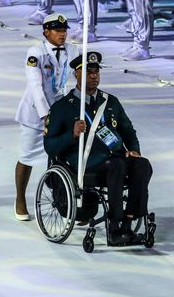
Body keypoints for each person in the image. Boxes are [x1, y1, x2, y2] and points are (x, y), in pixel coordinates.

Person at [44, 51, 152, 245]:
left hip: (115, 158)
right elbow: (49, 146)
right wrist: (72, 135)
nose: (94, 75)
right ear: (76, 75)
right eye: (88, 71)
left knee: (142, 165)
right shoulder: (63, 107)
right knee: (117, 165)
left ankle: (129, 220)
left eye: (96, 71)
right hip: (86, 163)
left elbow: (128, 131)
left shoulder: (110, 102)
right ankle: (115, 227)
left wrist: (134, 149)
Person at [14, 13, 79, 221]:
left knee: (62, 157)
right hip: (36, 112)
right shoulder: (35, 53)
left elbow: (77, 78)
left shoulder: (72, 50)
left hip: (60, 110)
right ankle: (20, 199)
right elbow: (35, 86)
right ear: (46, 32)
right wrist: (46, 118)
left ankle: (64, 203)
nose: (63, 34)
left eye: (64, 30)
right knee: (27, 156)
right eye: (58, 31)